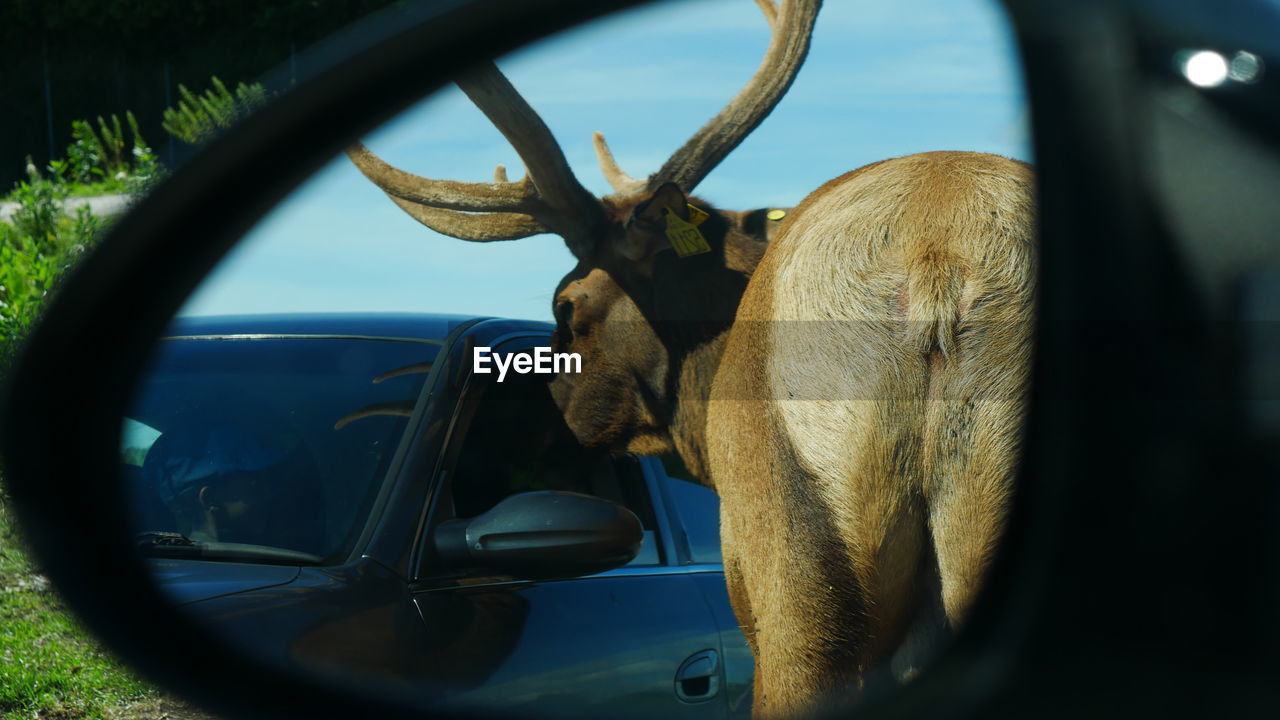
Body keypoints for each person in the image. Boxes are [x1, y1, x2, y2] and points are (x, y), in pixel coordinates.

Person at [139, 424, 326, 554]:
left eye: (271, 480)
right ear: (210, 500)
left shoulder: (175, 564)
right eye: (258, 485)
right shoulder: (265, 567)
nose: (274, 492)